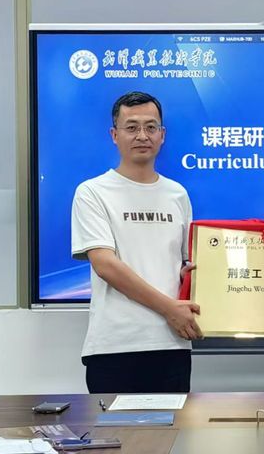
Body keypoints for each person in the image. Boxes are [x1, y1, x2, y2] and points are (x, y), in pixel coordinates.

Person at [71, 91, 202, 393]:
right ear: (114, 135)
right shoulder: (92, 192)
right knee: (115, 427)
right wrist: (169, 308)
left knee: (172, 426)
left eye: (150, 127)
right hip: (115, 346)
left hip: (171, 344)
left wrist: (190, 277)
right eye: (131, 127)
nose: (142, 135)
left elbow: (184, 263)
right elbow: (105, 266)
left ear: (162, 135)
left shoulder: (178, 194)